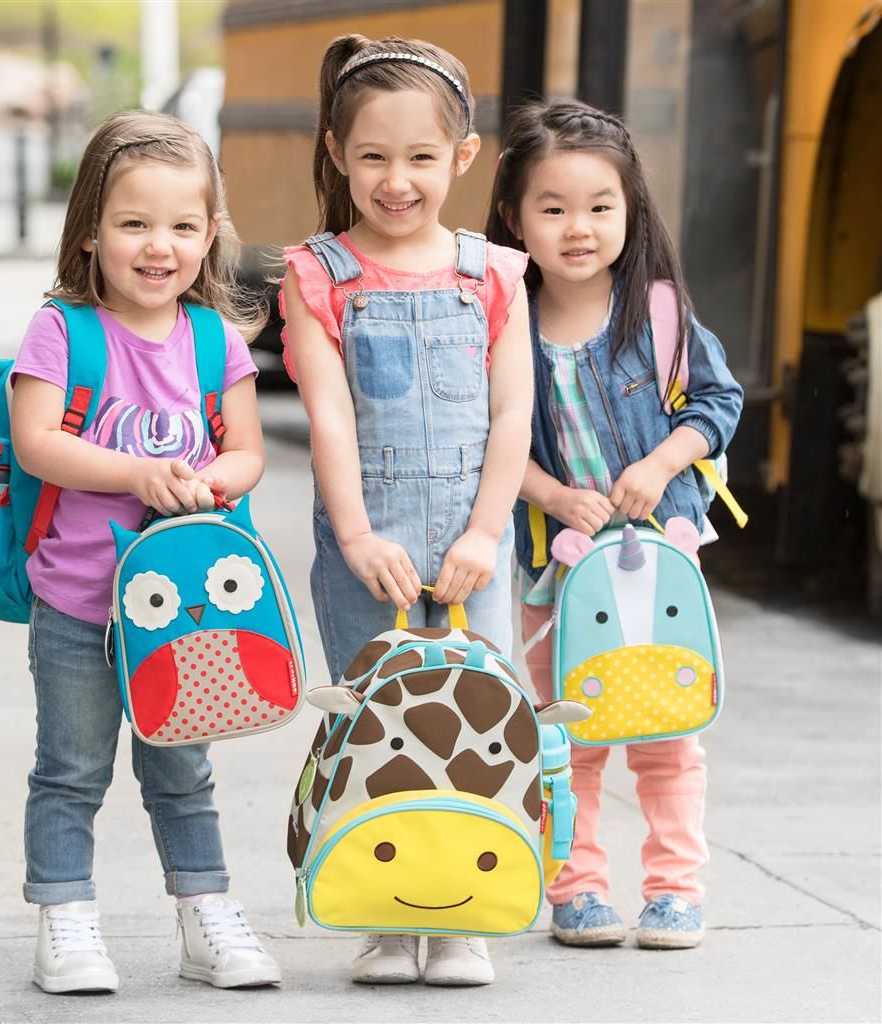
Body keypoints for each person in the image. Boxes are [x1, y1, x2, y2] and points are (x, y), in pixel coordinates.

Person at [280, 34, 533, 986]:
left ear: (463, 158)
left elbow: (515, 412)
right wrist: (353, 534)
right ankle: (387, 920)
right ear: (338, 153)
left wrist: (484, 531)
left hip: (474, 537)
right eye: (374, 157)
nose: (397, 180)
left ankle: (465, 917)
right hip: (367, 539)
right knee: (376, 723)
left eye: (422, 157)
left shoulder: (494, 273)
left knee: (480, 716)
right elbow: (331, 418)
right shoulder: (317, 274)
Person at [9, 111, 281, 993]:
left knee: (183, 770)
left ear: (210, 235)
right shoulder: (64, 331)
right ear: (91, 231)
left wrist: (209, 481)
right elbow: (37, 443)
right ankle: (68, 921)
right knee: (71, 768)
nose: (158, 245)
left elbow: (246, 451)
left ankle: (206, 918)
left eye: (182, 226)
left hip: (188, 611)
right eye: (133, 223)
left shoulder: (215, 340)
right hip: (80, 604)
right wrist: (140, 472)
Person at [484, 100, 743, 950]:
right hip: (557, 574)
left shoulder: (658, 311)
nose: (578, 228)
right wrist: (553, 497)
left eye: (601, 207)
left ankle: (674, 890)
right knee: (573, 738)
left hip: (658, 567)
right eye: (552, 208)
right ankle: (578, 886)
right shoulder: (502, 322)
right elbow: (487, 443)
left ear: (631, 212)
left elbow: (717, 402)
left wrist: (661, 464)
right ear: (514, 217)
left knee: (668, 734)